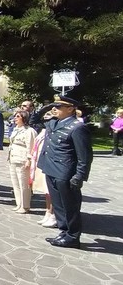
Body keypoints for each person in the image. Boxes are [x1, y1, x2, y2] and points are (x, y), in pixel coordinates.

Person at [37, 95, 93, 249]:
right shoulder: (54, 123)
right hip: (51, 169)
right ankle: (64, 232)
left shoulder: (77, 127)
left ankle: (73, 236)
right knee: (59, 205)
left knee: (70, 206)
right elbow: (34, 120)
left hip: (65, 172)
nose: (55, 109)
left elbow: (85, 156)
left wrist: (80, 175)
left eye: (59, 107)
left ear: (70, 109)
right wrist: (47, 108)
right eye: (54, 106)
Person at [7, 110, 38, 213]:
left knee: (23, 183)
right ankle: (19, 203)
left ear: (24, 118)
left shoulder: (29, 131)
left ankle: (25, 205)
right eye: (15, 116)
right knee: (15, 183)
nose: (15, 118)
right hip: (13, 157)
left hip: (22, 158)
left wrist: (29, 159)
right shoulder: (16, 129)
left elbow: (31, 146)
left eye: (18, 116)